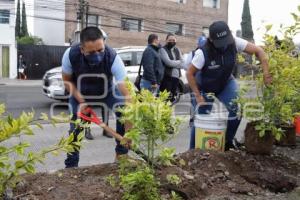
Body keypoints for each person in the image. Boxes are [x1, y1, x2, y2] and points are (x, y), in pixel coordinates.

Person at [186, 21, 272, 150]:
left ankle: (226, 142)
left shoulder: (235, 42)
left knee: (236, 109)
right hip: (203, 87)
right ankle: (192, 151)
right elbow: (189, 73)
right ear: (211, 40)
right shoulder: (203, 53)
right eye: (220, 42)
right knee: (201, 118)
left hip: (225, 82)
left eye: (226, 40)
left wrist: (266, 73)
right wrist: (198, 96)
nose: (225, 44)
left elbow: (259, 51)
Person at [61, 27, 131, 168]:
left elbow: (128, 94)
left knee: (123, 113)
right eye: (92, 52)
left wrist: (129, 132)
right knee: (76, 128)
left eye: (100, 50)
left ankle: (121, 156)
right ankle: (71, 166)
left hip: (106, 91)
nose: (97, 55)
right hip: (80, 92)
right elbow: (67, 81)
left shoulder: (113, 57)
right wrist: (82, 101)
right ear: (82, 49)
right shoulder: (70, 55)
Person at [159, 33, 184, 103]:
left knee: (172, 98)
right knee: (165, 98)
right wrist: (179, 62)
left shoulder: (177, 49)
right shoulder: (163, 50)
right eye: (170, 40)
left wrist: (175, 63)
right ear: (166, 40)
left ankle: (169, 112)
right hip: (167, 78)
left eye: (173, 40)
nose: (172, 41)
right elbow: (168, 63)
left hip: (176, 78)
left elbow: (183, 63)